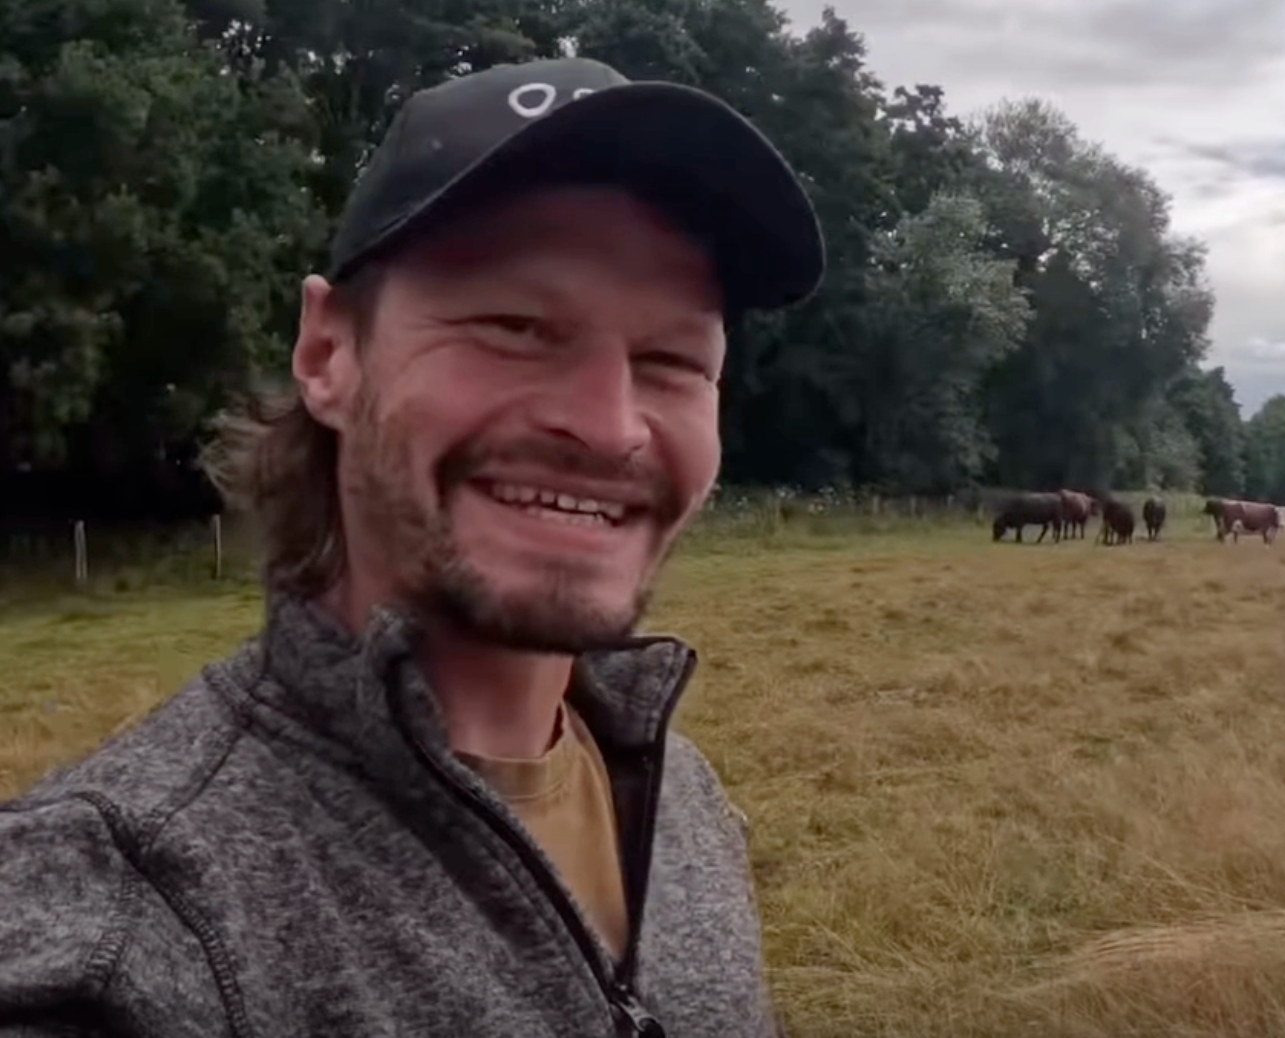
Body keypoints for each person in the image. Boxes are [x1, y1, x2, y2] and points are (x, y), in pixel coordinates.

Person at [0, 56, 824, 1038]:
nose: (609, 428)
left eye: (672, 361)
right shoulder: (127, 923)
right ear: (327, 355)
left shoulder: (680, 799)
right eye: (516, 326)